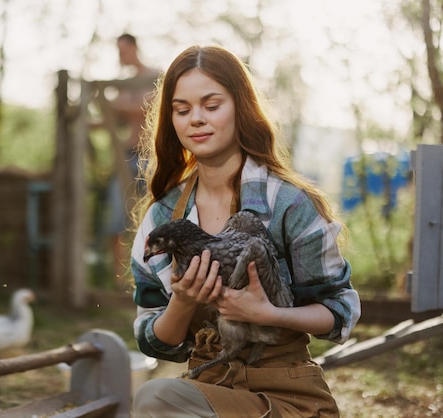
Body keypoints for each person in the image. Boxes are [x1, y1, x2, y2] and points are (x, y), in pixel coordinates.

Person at [129, 45, 361, 417]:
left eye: (212, 105)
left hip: (287, 390)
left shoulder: (289, 204)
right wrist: (184, 302)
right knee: (155, 399)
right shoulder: (161, 218)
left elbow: (339, 310)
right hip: (211, 385)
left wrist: (270, 313)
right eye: (182, 109)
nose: (196, 119)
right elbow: (153, 340)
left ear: (240, 107)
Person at [107, 33, 160, 289]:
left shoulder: (154, 77)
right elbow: (113, 117)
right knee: (117, 219)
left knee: (153, 217)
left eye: (123, 49)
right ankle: (121, 282)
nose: (120, 55)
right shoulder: (123, 84)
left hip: (151, 158)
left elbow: (147, 107)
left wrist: (110, 105)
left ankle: (152, 278)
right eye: (118, 51)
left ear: (135, 48)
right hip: (125, 157)